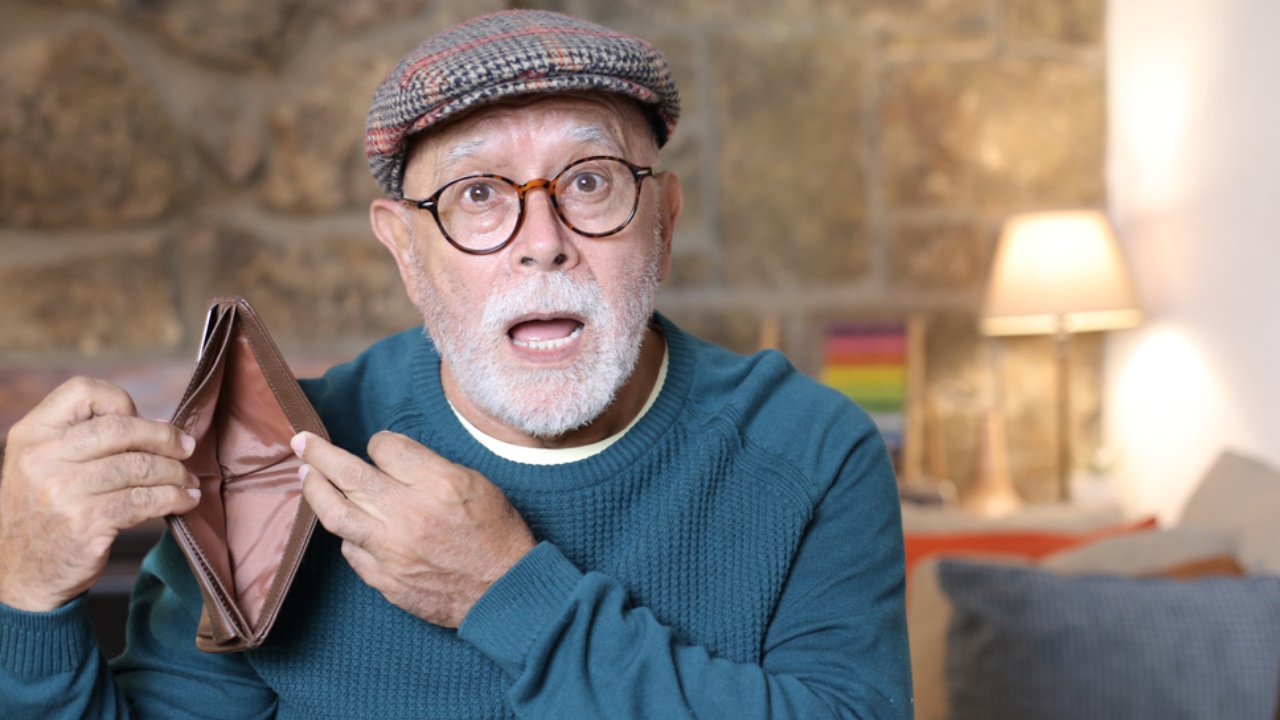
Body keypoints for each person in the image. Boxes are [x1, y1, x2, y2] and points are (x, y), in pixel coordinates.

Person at [0, 9, 911, 719]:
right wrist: (26, 597)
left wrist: (505, 592)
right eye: (479, 194)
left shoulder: (811, 450)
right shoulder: (272, 456)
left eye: (589, 181)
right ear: (405, 250)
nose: (543, 242)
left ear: (663, 223)